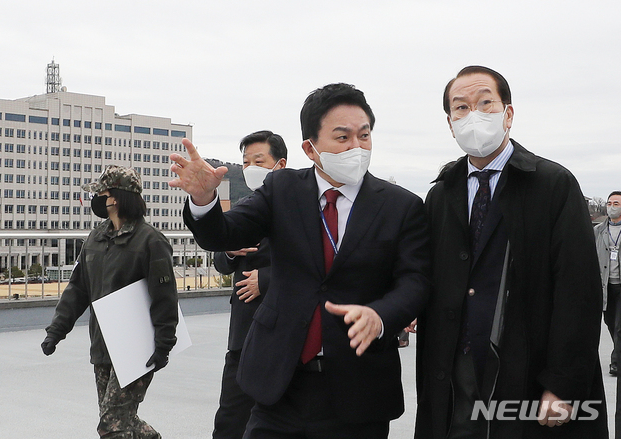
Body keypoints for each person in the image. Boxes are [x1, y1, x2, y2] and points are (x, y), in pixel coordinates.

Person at [171, 83, 430, 438]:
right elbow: (226, 234)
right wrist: (204, 200)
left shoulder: (401, 207)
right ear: (310, 147)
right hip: (280, 383)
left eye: (364, 136)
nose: (356, 147)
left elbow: (415, 282)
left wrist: (381, 317)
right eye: (342, 138)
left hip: (359, 390)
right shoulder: (282, 190)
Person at [415, 65, 607, 438]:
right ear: (450, 122)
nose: (473, 115)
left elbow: (578, 289)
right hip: (458, 371)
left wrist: (563, 383)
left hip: (527, 371)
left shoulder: (552, 185)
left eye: (486, 103)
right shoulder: (441, 194)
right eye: (461, 107)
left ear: (508, 114)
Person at [41, 165, 178, 439]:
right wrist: (56, 331)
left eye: (101, 193)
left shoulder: (150, 241)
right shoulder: (96, 238)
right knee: (118, 418)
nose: (97, 199)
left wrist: (164, 344)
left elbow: (165, 296)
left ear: (116, 197)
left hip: (138, 347)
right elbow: (78, 288)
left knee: (111, 424)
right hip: (103, 344)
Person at [212, 130, 287, 439]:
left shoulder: (303, 209)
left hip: (283, 332)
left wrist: (267, 280)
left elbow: (318, 267)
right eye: (246, 162)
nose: (251, 167)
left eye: (259, 160)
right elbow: (219, 259)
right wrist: (229, 250)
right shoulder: (245, 205)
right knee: (231, 417)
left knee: (277, 419)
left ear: (280, 165)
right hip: (243, 332)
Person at [595, 191, 621, 376]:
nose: (612, 206)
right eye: (610, 203)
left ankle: (616, 362)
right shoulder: (597, 231)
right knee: (611, 324)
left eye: (616, 203)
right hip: (605, 286)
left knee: (620, 327)